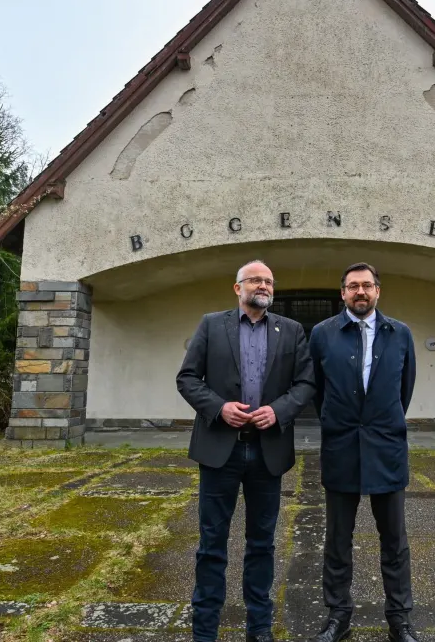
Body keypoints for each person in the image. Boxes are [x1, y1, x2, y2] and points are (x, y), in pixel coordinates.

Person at [176, 259, 316, 642]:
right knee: (211, 544)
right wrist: (219, 408)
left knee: (262, 544)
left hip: (267, 453)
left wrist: (280, 410)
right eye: (255, 280)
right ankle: (204, 631)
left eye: (269, 281)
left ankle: (259, 628)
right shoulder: (211, 325)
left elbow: (306, 384)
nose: (264, 286)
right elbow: (187, 378)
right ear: (237, 288)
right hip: (220, 450)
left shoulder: (290, 331)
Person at [306, 262, 420, 642]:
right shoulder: (323, 334)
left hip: (386, 449)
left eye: (367, 286)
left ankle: (399, 619)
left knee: (395, 541)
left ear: (377, 291)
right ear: (342, 293)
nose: (360, 292)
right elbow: (319, 390)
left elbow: (403, 391)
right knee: (338, 539)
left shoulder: (400, 334)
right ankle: (338, 616)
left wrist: (380, 423)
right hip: (341, 448)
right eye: (353, 286)